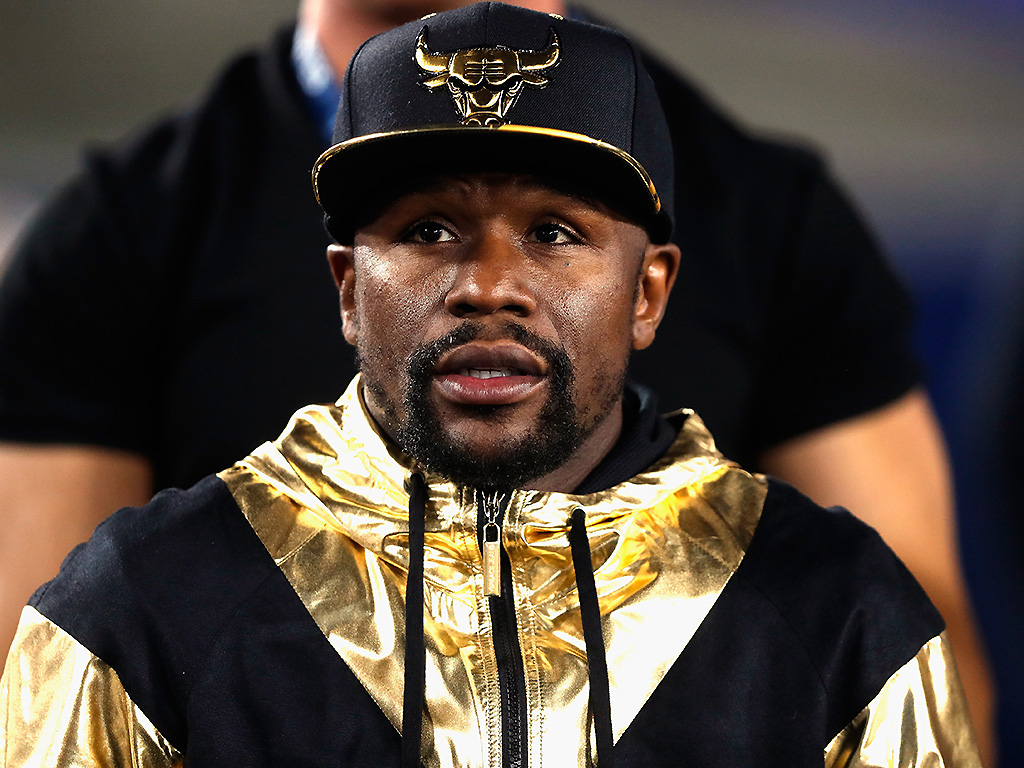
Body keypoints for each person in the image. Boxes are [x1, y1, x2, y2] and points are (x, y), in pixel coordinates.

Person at [0, 0, 994, 758]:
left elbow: (907, 660)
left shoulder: (771, 213)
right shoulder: (122, 234)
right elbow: (41, 672)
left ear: (652, 287)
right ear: (343, 285)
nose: (488, 286)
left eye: (556, 233)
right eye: (426, 230)